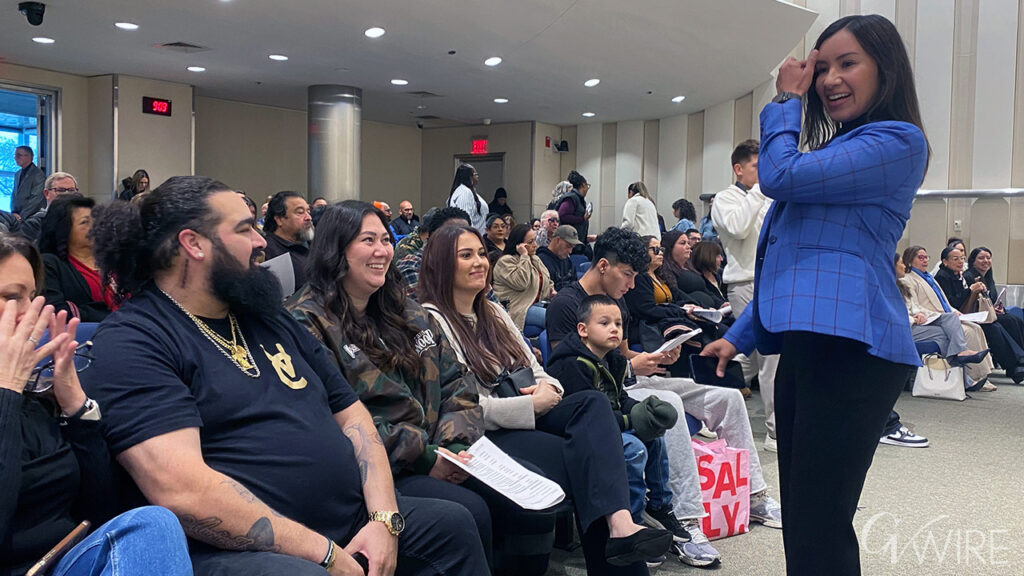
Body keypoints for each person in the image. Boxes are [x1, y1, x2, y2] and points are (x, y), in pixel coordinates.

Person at [82, 177, 489, 576]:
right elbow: (182, 490)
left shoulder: (266, 316)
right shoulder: (135, 339)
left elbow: (354, 418)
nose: (262, 241)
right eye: (245, 229)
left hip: (347, 519)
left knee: (451, 525)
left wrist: (384, 520)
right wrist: (323, 552)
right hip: (241, 547)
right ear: (193, 244)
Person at [700, 15, 931, 575]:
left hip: (856, 350)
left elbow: (775, 178)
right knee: (807, 519)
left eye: (847, 63)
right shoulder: (834, 154)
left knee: (820, 520)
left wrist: (784, 98)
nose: (828, 79)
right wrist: (738, 337)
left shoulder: (897, 141)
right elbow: (799, 265)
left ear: (887, 69)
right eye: (821, 68)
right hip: (813, 344)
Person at [417, 226, 674, 574]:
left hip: (531, 411)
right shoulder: (432, 321)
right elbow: (461, 407)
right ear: (441, 264)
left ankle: (621, 525)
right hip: (485, 433)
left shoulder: (493, 312)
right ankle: (621, 548)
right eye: (466, 255)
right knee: (590, 464)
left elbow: (537, 368)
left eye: (481, 253)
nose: (479, 262)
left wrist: (549, 390)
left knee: (592, 404)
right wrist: (530, 406)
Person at [547, 227, 782, 568]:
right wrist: (634, 367)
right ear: (602, 266)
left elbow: (621, 353)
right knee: (667, 406)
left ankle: (755, 493)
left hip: (631, 378)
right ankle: (685, 520)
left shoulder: (616, 302)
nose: (630, 285)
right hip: (601, 393)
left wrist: (654, 358)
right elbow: (568, 371)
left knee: (727, 397)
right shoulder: (567, 305)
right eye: (626, 275)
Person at [284, 201, 495, 571]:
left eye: (385, 238)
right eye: (368, 240)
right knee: (469, 512)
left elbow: (456, 381)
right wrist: (426, 457)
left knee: (512, 498)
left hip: (441, 451)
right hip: (380, 471)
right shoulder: (305, 321)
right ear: (337, 249)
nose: (382, 250)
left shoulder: (403, 307)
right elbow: (331, 420)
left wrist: (451, 446)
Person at [0, 233, 192, 576]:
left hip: (66, 562)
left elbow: (100, 511)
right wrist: (7, 389)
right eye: (12, 297)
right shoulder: (13, 391)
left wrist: (77, 408)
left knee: (149, 526)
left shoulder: (33, 398)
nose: (32, 313)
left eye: (33, 297)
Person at [547, 295, 687, 554]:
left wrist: (643, 410)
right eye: (604, 323)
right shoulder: (571, 363)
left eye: (618, 324)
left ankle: (658, 506)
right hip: (581, 433)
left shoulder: (614, 359)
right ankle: (629, 519)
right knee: (634, 448)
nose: (614, 328)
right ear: (583, 329)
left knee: (655, 435)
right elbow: (587, 416)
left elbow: (619, 397)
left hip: (610, 424)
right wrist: (631, 420)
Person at [710, 138, 778, 450]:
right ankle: (776, 431)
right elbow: (738, 228)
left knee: (747, 359)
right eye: (756, 166)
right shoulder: (725, 198)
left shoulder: (763, 197)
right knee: (769, 358)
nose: (763, 171)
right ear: (739, 169)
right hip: (746, 283)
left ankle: (708, 401)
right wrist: (761, 191)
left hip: (771, 282)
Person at [900, 246, 997, 389]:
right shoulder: (908, 279)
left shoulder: (929, 278)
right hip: (928, 319)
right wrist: (943, 315)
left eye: (927, 257)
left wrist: (955, 312)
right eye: (921, 257)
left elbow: (944, 302)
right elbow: (915, 308)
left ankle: (982, 374)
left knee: (975, 327)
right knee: (966, 332)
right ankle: (972, 376)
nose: (925, 260)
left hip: (942, 316)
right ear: (909, 260)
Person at [934, 246, 1024, 383]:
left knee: (1009, 320)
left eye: (962, 258)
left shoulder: (957, 276)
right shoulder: (943, 276)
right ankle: (1014, 365)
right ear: (945, 261)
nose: (960, 262)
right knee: (994, 327)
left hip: (966, 313)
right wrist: (971, 290)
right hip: (954, 316)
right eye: (955, 259)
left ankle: (1017, 362)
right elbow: (953, 302)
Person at [38, 194, 113, 322]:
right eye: (85, 222)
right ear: (64, 228)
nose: (95, 227)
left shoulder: (111, 259)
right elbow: (57, 311)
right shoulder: (49, 264)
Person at [395, 207, 472, 299]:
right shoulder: (412, 266)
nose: (461, 240)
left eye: (466, 235)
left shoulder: (470, 264)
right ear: (433, 237)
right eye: (452, 235)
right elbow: (423, 309)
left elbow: (490, 302)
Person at [492, 224, 554, 330]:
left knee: (565, 314)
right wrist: (524, 256)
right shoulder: (505, 261)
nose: (535, 245)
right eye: (530, 242)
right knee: (554, 319)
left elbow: (547, 280)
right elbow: (521, 283)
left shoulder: (535, 259)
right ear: (518, 245)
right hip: (517, 309)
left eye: (535, 240)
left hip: (537, 304)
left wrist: (551, 292)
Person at [263, 190, 314, 294]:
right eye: (300, 212)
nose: (308, 217)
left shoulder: (314, 245)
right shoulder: (267, 251)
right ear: (279, 219)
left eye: (308, 211)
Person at [15, 171, 81, 242]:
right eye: (61, 190)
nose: (67, 194)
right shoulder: (33, 225)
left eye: (71, 190)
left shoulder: (83, 223)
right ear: (47, 194)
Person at [965, 246, 1024, 323]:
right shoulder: (968, 277)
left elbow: (994, 300)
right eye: (981, 258)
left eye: (988, 258)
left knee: (1016, 320)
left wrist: (1000, 309)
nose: (986, 260)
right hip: (979, 317)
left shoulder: (989, 279)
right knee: (1010, 321)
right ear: (973, 261)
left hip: (991, 314)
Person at [555, 171, 591, 256]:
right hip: (570, 244)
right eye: (587, 186)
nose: (587, 189)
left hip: (577, 243)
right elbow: (562, 215)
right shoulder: (571, 198)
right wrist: (582, 219)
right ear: (583, 185)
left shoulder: (578, 198)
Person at [537, 225, 582, 292]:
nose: (570, 251)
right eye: (568, 246)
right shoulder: (540, 261)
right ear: (557, 240)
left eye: (573, 247)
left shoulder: (568, 262)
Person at [447, 164, 488, 233]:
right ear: (469, 177)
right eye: (475, 174)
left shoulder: (466, 191)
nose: (478, 177)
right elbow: (465, 220)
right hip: (471, 237)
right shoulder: (465, 193)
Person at [12, 146, 46, 219]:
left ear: (29, 157)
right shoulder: (17, 174)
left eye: (19, 155)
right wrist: (13, 214)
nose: (15, 158)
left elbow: (36, 199)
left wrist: (21, 216)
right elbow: (14, 196)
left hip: (32, 218)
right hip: (17, 216)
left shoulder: (38, 175)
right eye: (15, 155)